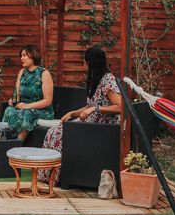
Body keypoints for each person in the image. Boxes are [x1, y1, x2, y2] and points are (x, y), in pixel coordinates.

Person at [40, 46, 121, 183]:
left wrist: (95, 109)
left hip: (104, 127)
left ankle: (59, 176)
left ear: (90, 63)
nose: (84, 64)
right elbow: (90, 106)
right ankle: (50, 175)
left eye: (85, 61)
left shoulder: (108, 80)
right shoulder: (96, 79)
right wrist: (72, 113)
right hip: (91, 122)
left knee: (60, 134)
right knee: (53, 132)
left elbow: (120, 107)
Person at [2, 44, 54, 141]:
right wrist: (12, 101)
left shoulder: (44, 73)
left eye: (25, 55)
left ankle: (17, 144)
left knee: (27, 114)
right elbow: (17, 95)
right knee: (9, 110)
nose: (22, 58)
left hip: (42, 110)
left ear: (33, 55)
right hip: (24, 107)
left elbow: (48, 101)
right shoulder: (22, 72)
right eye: (21, 56)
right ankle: (5, 139)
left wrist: (28, 106)